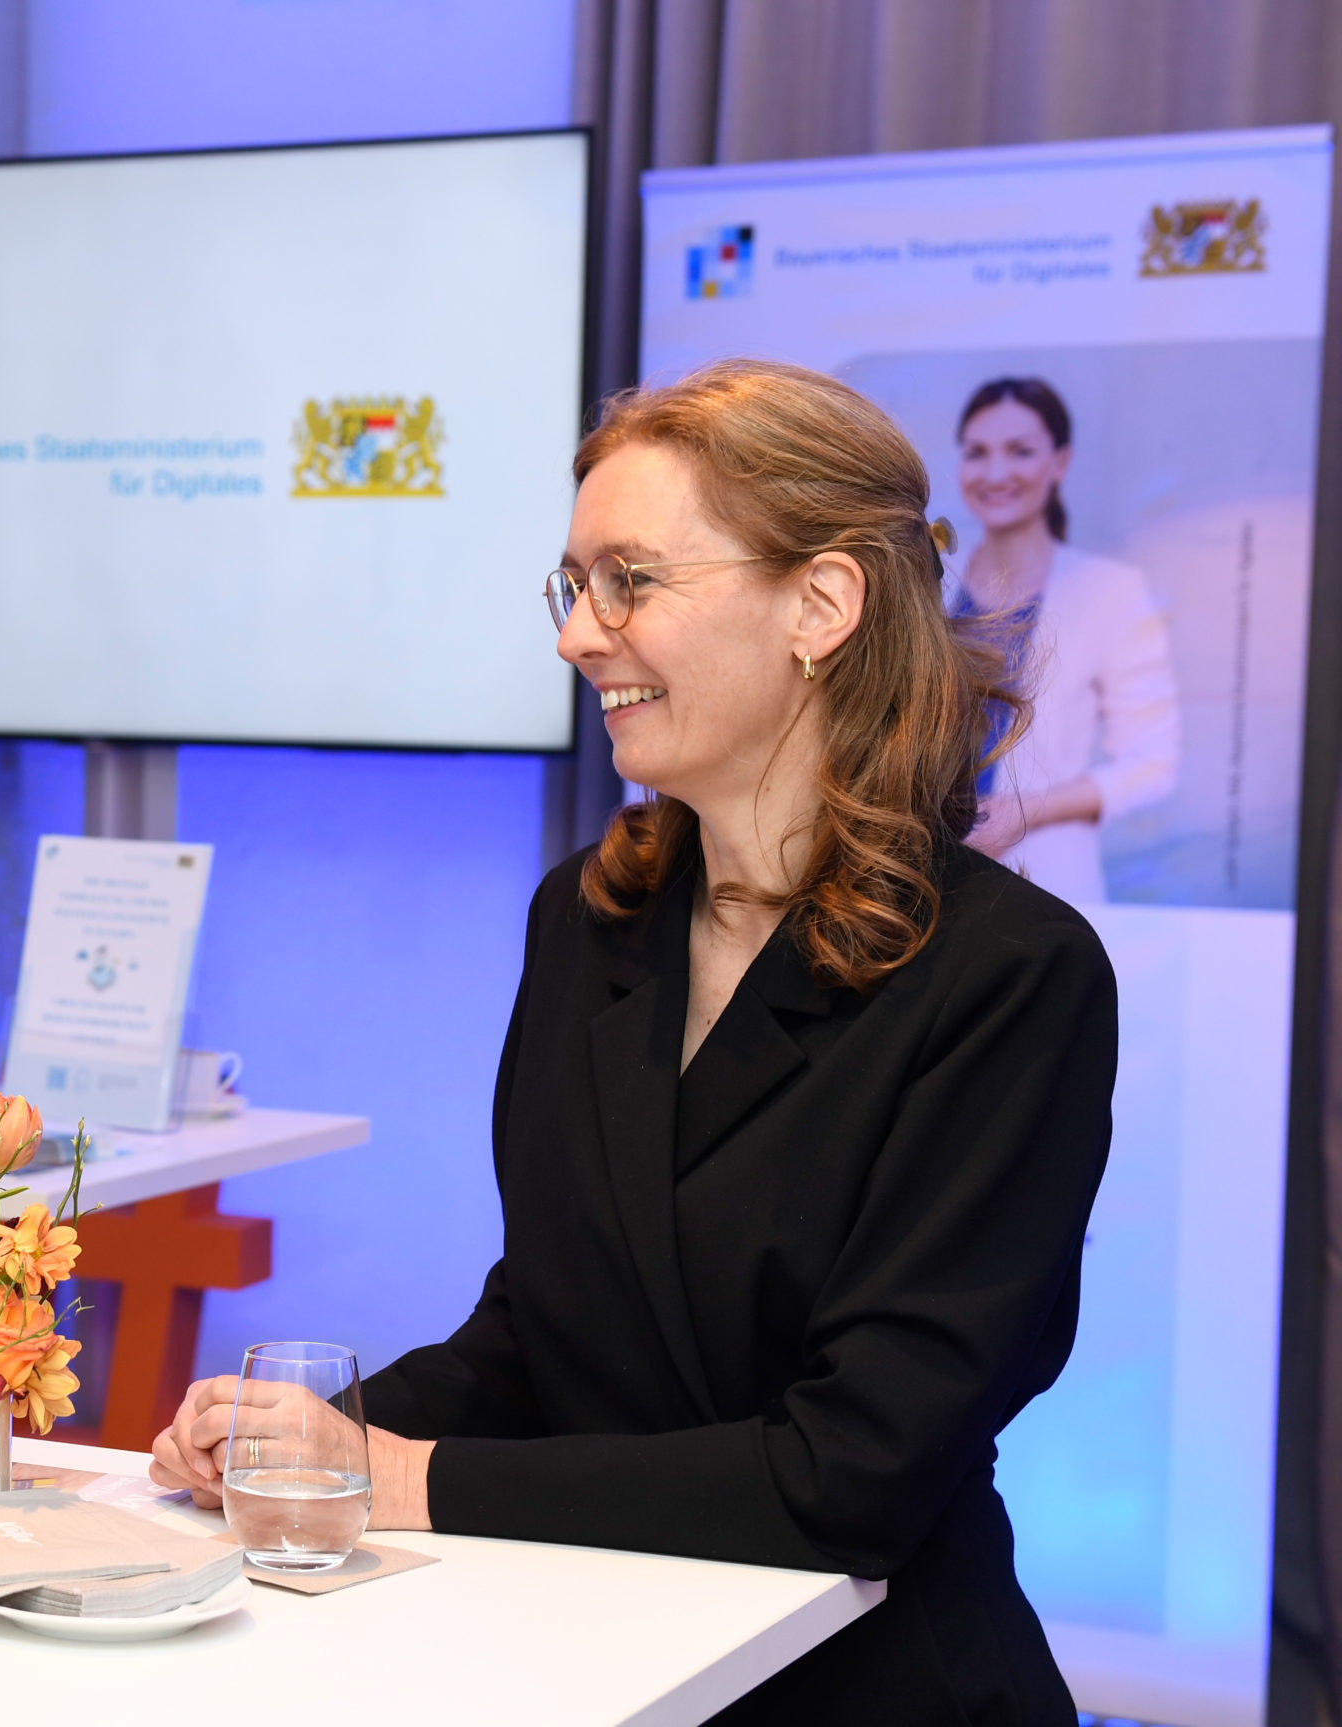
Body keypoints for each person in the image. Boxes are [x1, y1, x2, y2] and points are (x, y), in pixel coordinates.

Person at [152, 360, 1116, 1724]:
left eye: (629, 581)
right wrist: (318, 1436)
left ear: (821, 604)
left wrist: (405, 1475)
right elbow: (546, 1330)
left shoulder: (1011, 976)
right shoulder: (587, 919)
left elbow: (851, 1472)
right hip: (600, 1661)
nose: (576, 635)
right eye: (571, 586)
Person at [952, 377, 1179, 906]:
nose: (996, 473)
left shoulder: (1112, 592)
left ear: (1060, 462)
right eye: (977, 453)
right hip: (916, 884)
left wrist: (1024, 812)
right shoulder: (929, 578)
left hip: (1043, 887)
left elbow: (1152, 765)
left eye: (1020, 451)